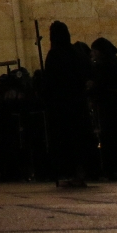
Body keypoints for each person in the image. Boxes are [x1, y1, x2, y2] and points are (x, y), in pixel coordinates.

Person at [40, 21, 91, 188]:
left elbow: (50, 81)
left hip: (62, 105)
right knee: (78, 139)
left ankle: (73, 173)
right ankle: (79, 173)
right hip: (77, 102)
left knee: (68, 140)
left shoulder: (55, 55)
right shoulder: (76, 53)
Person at [88, 38, 117, 181]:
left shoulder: (104, 65)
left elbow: (100, 85)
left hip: (108, 104)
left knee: (110, 137)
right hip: (114, 103)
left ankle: (112, 169)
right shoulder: (115, 63)